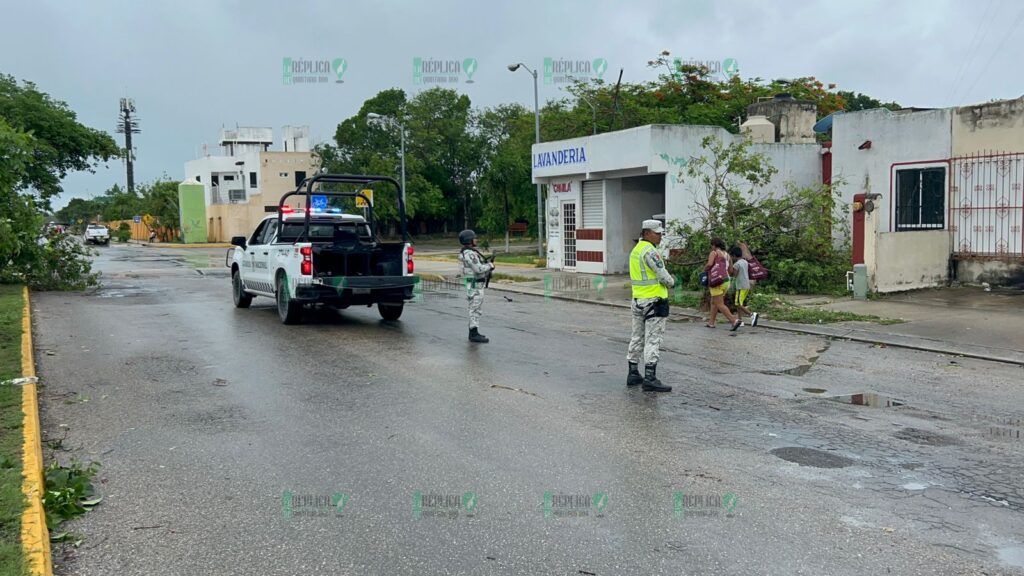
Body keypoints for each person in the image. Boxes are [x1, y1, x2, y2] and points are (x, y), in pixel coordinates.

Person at [626, 220, 675, 392]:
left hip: (638, 300)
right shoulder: (650, 251)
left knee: (637, 337)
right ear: (646, 233)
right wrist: (672, 282)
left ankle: (633, 373)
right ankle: (650, 377)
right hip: (654, 301)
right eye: (657, 233)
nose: (660, 235)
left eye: (661, 233)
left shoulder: (636, 250)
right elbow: (662, 274)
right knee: (653, 340)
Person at [458, 229, 494, 343]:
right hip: (475, 285)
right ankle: (473, 334)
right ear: (469, 239)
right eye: (474, 238)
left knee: (475, 308)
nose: (476, 239)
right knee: (475, 309)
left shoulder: (467, 252)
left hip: (473, 283)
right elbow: (478, 269)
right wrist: (490, 265)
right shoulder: (470, 253)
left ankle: (474, 332)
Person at [705, 238, 741, 331]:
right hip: (726, 281)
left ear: (714, 245)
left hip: (716, 281)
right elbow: (731, 270)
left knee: (720, 304)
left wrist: (705, 270)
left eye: (711, 245)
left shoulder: (714, 253)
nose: (711, 247)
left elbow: (709, 264)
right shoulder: (727, 255)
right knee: (714, 302)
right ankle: (711, 323)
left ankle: (734, 321)